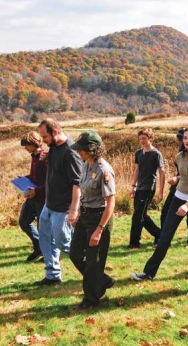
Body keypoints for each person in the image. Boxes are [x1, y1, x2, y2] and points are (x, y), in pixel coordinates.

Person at [130, 126, 188, 281]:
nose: (187, 141)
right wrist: (177, 179)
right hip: (178, 198)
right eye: (185, 138)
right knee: (165, 237)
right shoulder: (180, 156)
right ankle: (148, 273)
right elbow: (186, 176)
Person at [68, 130, 116, 309]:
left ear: (92, 149)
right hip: (85, 215)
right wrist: (78, 213)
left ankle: (91, 300)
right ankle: (103, 281)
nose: (78, 152)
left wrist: (99, 230)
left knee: (92, 263)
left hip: (99, 218)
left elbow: (110, 203)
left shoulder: (104, 170)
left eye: (82, 149)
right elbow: (83, 191)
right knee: (74, 254)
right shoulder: (85, 164)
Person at [34, 118, 83, 286]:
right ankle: (53, 275)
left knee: (64, 242)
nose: (43, 141)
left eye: (45, 137)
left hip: (63, 207)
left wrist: (73, 210)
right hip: (49, 204)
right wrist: (47, 158)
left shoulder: (70, 151)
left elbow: (77, 183)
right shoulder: (54, 148)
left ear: (55, 132)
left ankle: (91, 269)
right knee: (45, 239)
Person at [128, 128, 164, 248]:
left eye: (144, 138)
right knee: (142, 215)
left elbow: (162, 172)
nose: (142, 141)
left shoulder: (156, 154)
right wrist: (133, 186)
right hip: (139, 188)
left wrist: (161, 192)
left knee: (138, 216)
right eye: (140, 139)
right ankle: (161, 235)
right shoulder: (138, 153)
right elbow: (137, 170)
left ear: (150, 139)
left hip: (149, 188)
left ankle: (134, 243)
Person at [18, 131, 47, 262]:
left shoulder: (44, 157)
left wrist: (38, 190)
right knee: (24, 222)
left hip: (42, 198)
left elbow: (50, 181)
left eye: (27, 145)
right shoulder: (34, 157)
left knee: (43, 228)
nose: (25, 148)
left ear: (34, 143)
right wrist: (24, 179)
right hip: (32, 197)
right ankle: (39, 247)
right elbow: (35, 177)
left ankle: (48, 253)